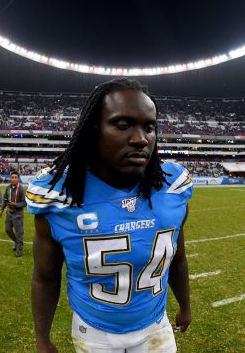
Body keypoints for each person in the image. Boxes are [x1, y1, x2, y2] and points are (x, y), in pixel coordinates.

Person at [27, 78, 193, 353]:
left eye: (149, 127)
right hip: (93, 332)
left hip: (155, 325)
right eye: (123, 124)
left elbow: (178, 258)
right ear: (94, 130)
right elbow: (45, 276)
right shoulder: (60, 196)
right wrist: (42, 338)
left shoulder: (172, 186)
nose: (141, 139)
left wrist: (185, 306)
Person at [0, 171, 26, 257]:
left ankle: (19, 250)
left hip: (18, 214)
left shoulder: (22, 189)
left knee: (19, 233)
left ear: (18, 179)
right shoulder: (8, 188)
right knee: (7, 230)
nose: (14, 179)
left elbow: (25, 203)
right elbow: (5, 199)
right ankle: (17, 242)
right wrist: (2, 209)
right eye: (12, 177)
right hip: (9, 213)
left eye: (15, 177)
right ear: (10, 178)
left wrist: (15, 204)